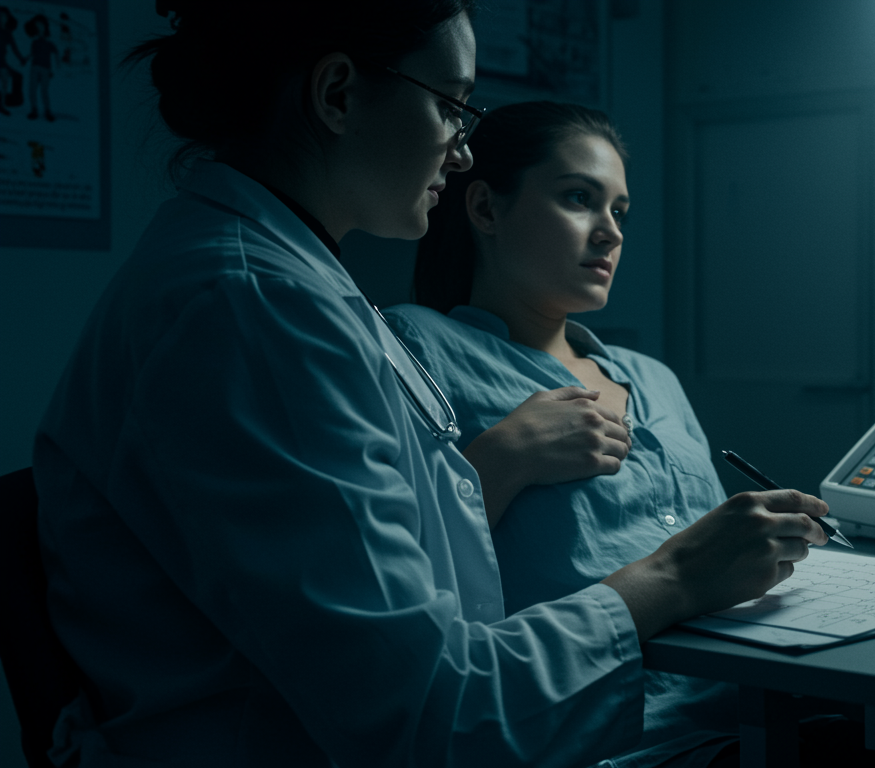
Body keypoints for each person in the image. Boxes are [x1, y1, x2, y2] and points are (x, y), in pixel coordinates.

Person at [32, 3, 830, 767]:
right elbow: (426, 720)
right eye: (451, 105)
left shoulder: (302, 294)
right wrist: (674, 576)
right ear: (338, 94)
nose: (462, 148)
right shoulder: (250, 309)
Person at [383, 103, 735, 767]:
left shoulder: (653, 379)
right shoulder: (414, 347)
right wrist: (501, 460)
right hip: (616, 739)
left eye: (620, 213)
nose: (609, 233)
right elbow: (394, 575)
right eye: (580, 198)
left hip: (754, 703)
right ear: (485, 208)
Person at [23, 12, 54, 121]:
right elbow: (32, 54)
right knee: (32, 89)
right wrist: (25, 59)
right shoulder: (35, 42)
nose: (39, 27)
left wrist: (52, 69)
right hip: (35, 67)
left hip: (45, 68)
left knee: (44, 91)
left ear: (45, 25)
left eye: (41, 24)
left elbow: (54, 54)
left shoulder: (49, 42)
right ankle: (34, 110)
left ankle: (47, 111)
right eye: (37, 25)